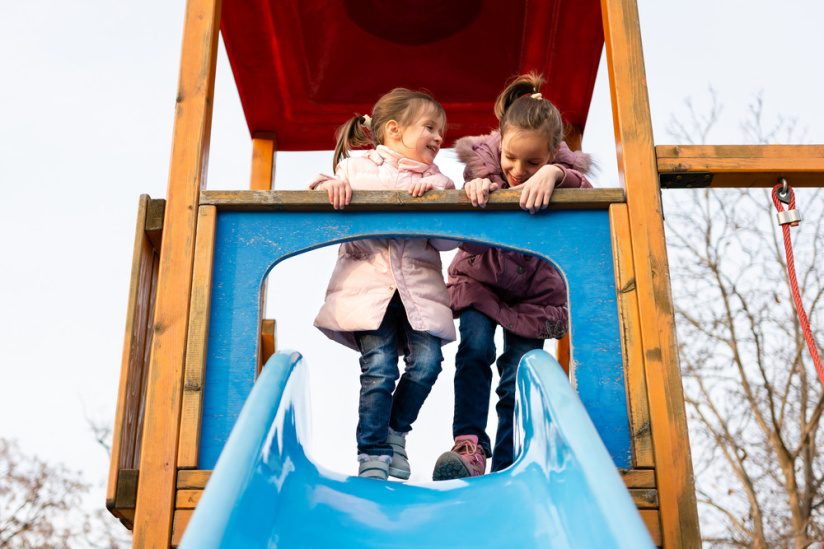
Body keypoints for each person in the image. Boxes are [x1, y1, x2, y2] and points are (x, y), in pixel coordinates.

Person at [432, 73, 593, 480]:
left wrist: (554, 175)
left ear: (553, 153)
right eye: (511, 157)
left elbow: (586, 186)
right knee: (474, 351)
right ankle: (469, 446)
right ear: (500, 141)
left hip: (533, 298)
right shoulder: (484, 165)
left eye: (533, 162)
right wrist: (478, 186)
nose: (518, 170)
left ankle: (509, 462)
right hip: (482, 282)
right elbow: (476, 176)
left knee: (518, 375)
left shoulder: (559, 172)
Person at [309, 88, 458, 481]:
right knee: (379, 368)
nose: (439, 137)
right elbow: (321, 191)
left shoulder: (439, 180)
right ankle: (371, 452)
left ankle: (395, 431)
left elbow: (448, 241)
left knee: (428, 363)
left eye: (442, 131)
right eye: (430, 127)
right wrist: (329, 188)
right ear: (394, 129)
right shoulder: (356, 170)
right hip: (370, 291)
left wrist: (438, 202)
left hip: (418, 293)